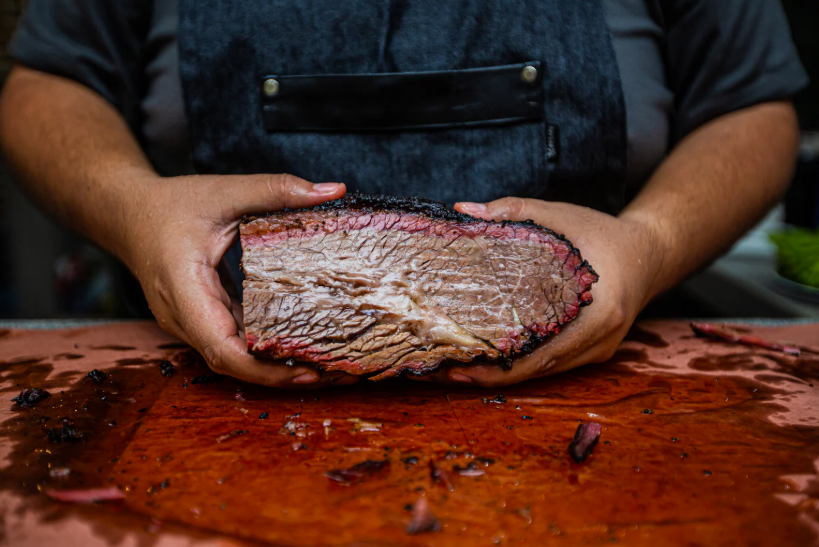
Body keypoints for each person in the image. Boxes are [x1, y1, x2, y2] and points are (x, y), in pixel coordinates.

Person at [0, 0, 808, 388]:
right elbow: (46, 86)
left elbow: (749, 107)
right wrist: (136, 208)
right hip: (212, 388)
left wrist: (653, 241)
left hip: (600, 382)